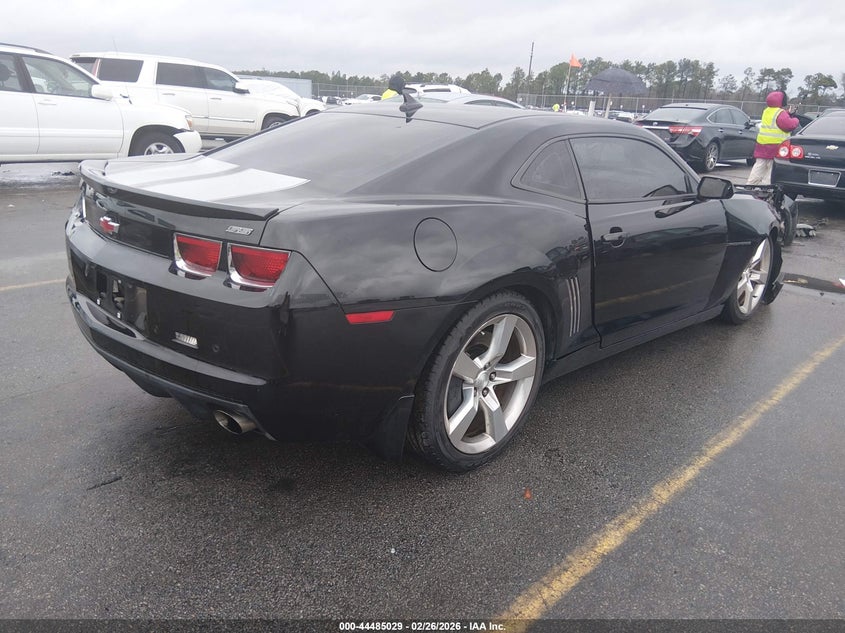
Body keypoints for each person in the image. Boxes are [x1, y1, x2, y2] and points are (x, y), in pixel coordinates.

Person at [746, 91, 800, 185]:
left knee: (759, 166)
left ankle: (750, 184)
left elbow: (776, 118)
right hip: (775, 146)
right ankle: (766, 188)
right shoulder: (780, 113)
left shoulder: (767, 111)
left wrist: (788, 112)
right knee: (771, 169)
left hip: (762, 144)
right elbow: (789, 126)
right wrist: (796, 119)